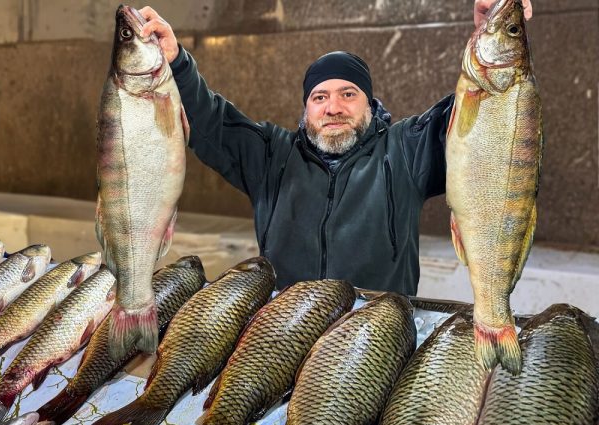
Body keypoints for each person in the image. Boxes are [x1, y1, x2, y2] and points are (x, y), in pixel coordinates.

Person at [138, 0, 533, 295]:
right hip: (282, 338)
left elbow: (478, 120)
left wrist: (490, 35)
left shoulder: (405, 150)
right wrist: (176, 63)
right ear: (306, 108)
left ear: (369, 103)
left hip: (377, 344)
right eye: (320, 97)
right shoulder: (272, 156)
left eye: (348, 93)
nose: (334, 107)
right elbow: (212, 121)